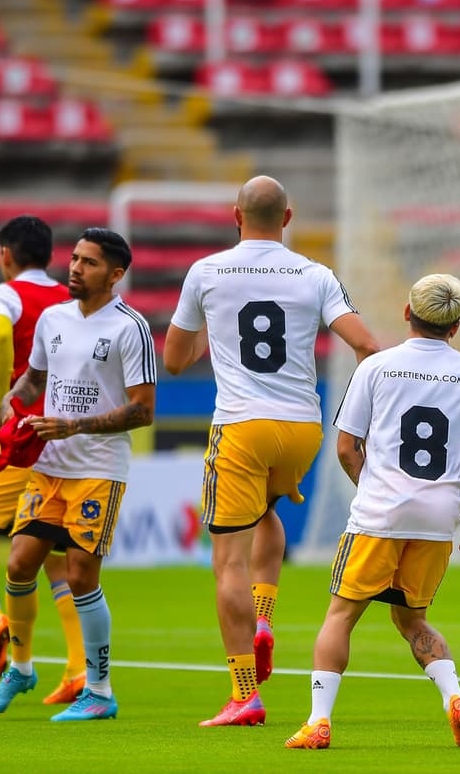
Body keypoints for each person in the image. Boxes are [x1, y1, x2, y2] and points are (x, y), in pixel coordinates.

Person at [163, 175, 380, 727]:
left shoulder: (206, 272)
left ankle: (244, 695)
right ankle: (264, 616)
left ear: (235, 216)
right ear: (288, 219)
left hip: (242, 424)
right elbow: (368, 346)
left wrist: (212, 336)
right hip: (303, 426)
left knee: (225, 562)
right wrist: (359, 420)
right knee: (266, 512)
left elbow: (174, 361)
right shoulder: (315, 274)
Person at [285, 273, 460, 750]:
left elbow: (345, 447)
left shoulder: (377, 367)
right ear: (456, 326)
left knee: (340, 616)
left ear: (407, 313)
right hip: (437, 521)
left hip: (379, 517)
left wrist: (375, 491)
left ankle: (319, 722)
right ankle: (455, 698)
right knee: (412, 621)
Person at [0, 228, 155, 722]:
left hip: (99, 468)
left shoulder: (130, 328)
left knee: (80, 576)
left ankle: (99, 691)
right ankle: (21, 667)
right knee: (18, 566)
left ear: (115, 275)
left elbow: (143, 411)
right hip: (50, 466)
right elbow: (36, 376)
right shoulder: (52, 318)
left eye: (90, 263)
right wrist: (8, 404)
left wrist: (72, 424)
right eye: (75, 258)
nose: (75, 268)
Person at [0, 215, 87, 705]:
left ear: (5, 254)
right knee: (56, 559)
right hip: (75, 442)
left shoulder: (1, 296)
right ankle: (76, 668)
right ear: (53, 258)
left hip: (29, 437)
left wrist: (0, 399)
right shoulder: (72, 300)